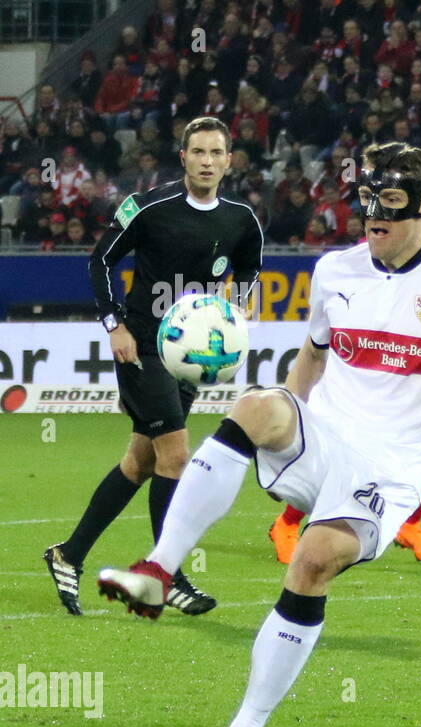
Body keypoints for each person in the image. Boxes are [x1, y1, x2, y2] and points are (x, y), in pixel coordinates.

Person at [97, 145, 421, 727]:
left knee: (314, 560)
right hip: (325, 433)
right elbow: (313, 356)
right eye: (367, 208)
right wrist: (285, 418)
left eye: (390, 209)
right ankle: (159, 571)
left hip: (393, 465)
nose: (374, 222)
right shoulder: (336, 271)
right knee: (254, 405)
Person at [44, 117, 262, 616]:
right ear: (182, 157)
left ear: (230, 161)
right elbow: (100, 261)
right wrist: (114, 326)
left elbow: (249, 266)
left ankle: (67, 555)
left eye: (216, 153)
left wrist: (237, 306)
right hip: (143, 345)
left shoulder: (241, 218)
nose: (207, 161)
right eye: (198, 152)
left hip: (192, 359)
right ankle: (170, 576)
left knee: (140, 462)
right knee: (176, 456)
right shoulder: (147, 207)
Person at [268, 142, 421, 565]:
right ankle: (287, 522)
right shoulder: (366, 249)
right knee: (341, 450)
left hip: (417, 364)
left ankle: (410, 522)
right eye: (368, 186)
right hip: (366, 361)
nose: (373, 197)